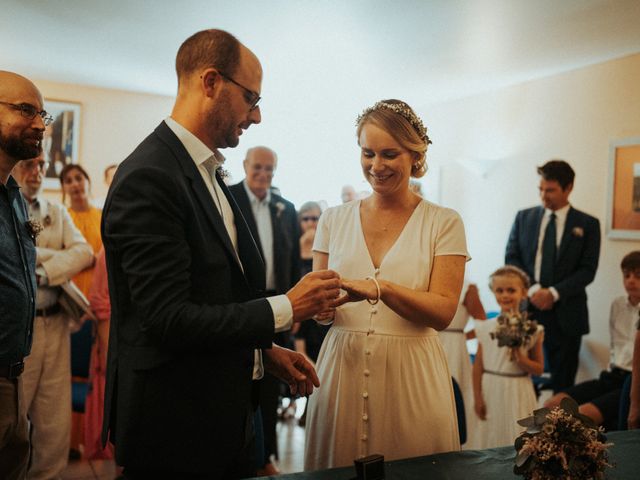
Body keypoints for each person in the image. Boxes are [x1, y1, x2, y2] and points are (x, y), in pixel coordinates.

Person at [100, 29, 342, 479]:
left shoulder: (207, 170)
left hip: (225, 410)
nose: (258, 115)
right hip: (176, 424)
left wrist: (261, 352)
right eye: (251, 97)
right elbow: (168, 319)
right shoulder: (150, 176)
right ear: (211, 83)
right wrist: (289, 307)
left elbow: (216, 294)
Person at [304, 99, 468, 470]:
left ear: (414, 155)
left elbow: (443, 312)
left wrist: (382, 289)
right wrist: (322, 309)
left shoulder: (444, 222)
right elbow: (318, 304)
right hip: (341, 369)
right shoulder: (332, 219)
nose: (376, 166)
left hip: (412, 372)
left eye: (389, 154)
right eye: (368, 153)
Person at [13, 153, 93, 479]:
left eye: (43, 165)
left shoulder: (56, 213)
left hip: (56, 323)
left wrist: (42, 273)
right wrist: (54, 257)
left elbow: (84, 252)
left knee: (54, 419)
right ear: (15, 164)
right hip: (18, 327)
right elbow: (14, 253)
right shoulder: (6, 209)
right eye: (30, 164)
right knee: (15, 418)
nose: (37, 171)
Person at [229, 146, 301, 475]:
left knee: (273, 383)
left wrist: (294, 307)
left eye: (270, 169)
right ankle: (237, 452)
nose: (264, 175)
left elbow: (291, 261)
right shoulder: (228, 198)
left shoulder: (286, 209)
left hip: (280, 302)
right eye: (258, 168)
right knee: (238, 376)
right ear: (245, 166)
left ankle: (266, 455)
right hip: (241, 303)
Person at [505, 160, 600, 393]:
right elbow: (512, 258)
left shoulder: (587, 224)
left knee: (563, 386)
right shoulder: (523, 218)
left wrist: (554, 293)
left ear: (568, 188)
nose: (543, 196)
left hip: (567, 316)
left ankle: (557, 430)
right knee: (522, 378)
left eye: (550, 190)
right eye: (540, 189)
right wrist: (536, 290)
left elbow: (587, 270)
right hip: (528, 310)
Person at [0, 70, 42, 480]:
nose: (40, 124)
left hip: (14, 377)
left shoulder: (14, 197)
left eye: (42, 113)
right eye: (25, 110)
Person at [545, 251, 639, 431]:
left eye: (637, 276)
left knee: (581, 415)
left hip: (632, 382)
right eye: (627, 275)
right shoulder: (618, 304)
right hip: (612, 375)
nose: (631, 280)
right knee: (552, 404)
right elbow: (616, 345)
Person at [471, 266, 544, 449]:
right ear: (493, 292)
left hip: (518, 389)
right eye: (500, 290)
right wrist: (478, 397)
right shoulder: (486, 327)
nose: (505, 295)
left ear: (524, 292)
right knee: (491, 435)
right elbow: (478, 366)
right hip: (491, 388)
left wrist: (521, 358)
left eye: (511, 290)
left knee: (517, 437)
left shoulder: (533, 329)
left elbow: (538, 369)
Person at [294, 201, 330, 427]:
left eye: (315, 218)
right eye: (306, 218)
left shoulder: (328, 247)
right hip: (300, 316)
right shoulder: (292, 248)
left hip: (321, 313)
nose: (310, 223)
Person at [439, 281, 486, 448]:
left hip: (454, 348)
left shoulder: (468, 288)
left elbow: (483, 323)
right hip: (427, 341)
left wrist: (462, 337)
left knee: (455, 393)